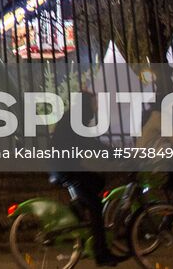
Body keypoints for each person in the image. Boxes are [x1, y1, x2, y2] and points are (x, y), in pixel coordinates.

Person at [51, 88, 121, 267]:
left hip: (70, 167)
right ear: (86, 103)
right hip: (66, 170)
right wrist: (115, 154)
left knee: (98, 181)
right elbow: (89, 143)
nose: (96, 105)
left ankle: (76, 210)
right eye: (94, 102)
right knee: (96, 206)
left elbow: (89, 142)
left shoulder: (77, 116)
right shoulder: (76, 118)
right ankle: (101, 253)